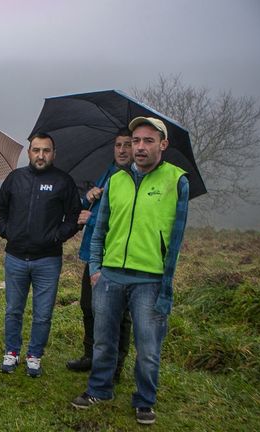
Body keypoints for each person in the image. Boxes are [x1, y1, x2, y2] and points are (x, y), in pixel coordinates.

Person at [71, 117, 189, 426]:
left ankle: (144, 400)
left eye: (148, 141)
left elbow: (175, 241)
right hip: (110, 276)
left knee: (148, 347)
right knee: (103, 340)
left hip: (149, 280)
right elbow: (100, 230)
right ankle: (99, 389)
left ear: (162, 144)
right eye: (135, 140)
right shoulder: (116, 181)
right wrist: (96, 269)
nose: (139, 147)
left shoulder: (177, 181)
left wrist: (166, 285)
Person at [0, 132, 81, 377]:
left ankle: (34, 355)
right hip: (16, 258)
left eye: (46, 150)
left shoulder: (63, 181)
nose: (41, 155)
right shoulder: (15, 178)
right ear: (29, 152)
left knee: (43, 314)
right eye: (36, 150)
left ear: (54, 153)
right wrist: (7, 231)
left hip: (48, 260)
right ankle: (11, 352)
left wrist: (57, 236)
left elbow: (75, 216)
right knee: (13, 310)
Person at [66, 128, 133, 383]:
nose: (123, 150)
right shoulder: (108, 172)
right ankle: (90, 355)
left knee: (119, 313)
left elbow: (126, 219)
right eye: (118, 145)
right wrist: (88, 198)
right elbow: (89, 208)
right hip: (93, 253)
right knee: (88, 306)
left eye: (128, 144)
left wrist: (93, 215)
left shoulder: (134, 178)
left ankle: (115, 365)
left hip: (116, 256)